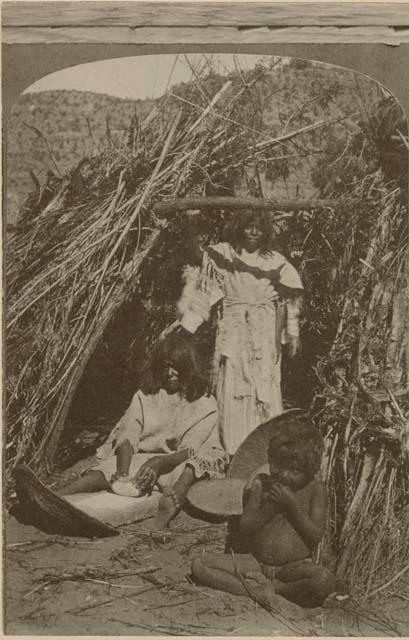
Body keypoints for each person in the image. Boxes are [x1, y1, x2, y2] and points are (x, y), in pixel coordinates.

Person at [51, 334, 227, 529]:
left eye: (176, 366)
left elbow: (190, 449)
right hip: (143, 459)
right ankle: (55, 497)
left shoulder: (203, 403)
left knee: (189, 472)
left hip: (177, 460)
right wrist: (123, 473)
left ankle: (169, 504)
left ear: (188, 366)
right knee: (102, 472)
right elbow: (127, 435)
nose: (169, 373)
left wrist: (160, 462)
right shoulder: (145, 396)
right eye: (164, 366)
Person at [176, 208, 304, 456]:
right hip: (233, 330)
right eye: (248, 226)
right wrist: (188, 326)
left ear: (265, 231)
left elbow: (291, 299)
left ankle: (263, 449)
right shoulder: (226, 256)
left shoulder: (274, 261)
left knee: (262, 384)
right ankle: (232, 449)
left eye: (258, 227)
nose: (253, 231)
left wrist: (292, 333)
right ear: (240, 228)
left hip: (263, 333)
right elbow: (207, 292)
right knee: (234, 383)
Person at [191, 416, 336, 608]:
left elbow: (315, 534)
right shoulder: (261, 483)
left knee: (324, 580)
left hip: (291, 568)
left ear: (310, 470)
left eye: (294, 470)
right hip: (255, 563)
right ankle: (258, 592)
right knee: (199, 565)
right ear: (270, 460)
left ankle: (276, 589)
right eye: (278, 466)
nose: (284, 474)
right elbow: (245, 528)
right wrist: (268, 509)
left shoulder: (316, 489)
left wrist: (292, 505)